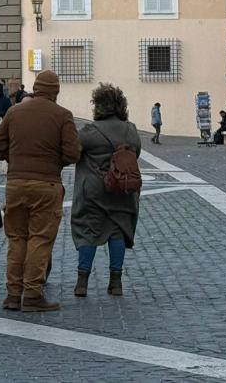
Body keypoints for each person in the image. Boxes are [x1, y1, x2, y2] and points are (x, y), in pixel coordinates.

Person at [0, 70, 81, 312]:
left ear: (36, 87)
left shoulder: (14, 111)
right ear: (56, 91)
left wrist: (14, 159)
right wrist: (54, 163)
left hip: (16, 184)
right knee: (40, 238)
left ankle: (13, 295)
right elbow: (73, 153)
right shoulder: (62, 115)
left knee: (17, 238)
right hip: (46, 184)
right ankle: (32, 294)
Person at [72, 83, 141, 298]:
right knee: (118, 231)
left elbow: (73, 153)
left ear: (98, 106)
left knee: (89, 231)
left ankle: (82, 283)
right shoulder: (131, 130)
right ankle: (116, 282)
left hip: (94, 191)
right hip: (123, 190)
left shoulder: (89, 131)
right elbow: (136, 153)